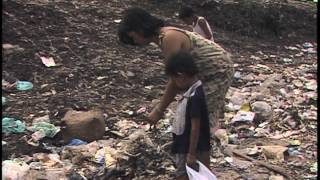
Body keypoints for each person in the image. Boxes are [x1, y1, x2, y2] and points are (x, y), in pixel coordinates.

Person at [118, 7, 234, 144]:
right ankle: (196, 149)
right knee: (191, 112)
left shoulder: (169, 38)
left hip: (217, 71)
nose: (135, 41)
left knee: (199, 114)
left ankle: (198, 155)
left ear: (140, 28)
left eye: (132, 37)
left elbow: (175, 78)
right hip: (203, 73)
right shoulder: (164, 38)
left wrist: (159, 110)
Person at [165, 51, 211, 180]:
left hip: (189, 147)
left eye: (174, 79)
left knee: (185, 174)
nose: (174, 83)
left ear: (181, 76)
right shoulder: (193, 92)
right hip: (187, 145)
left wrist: (191, 154)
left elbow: (195, 127)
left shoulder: (195, 97)